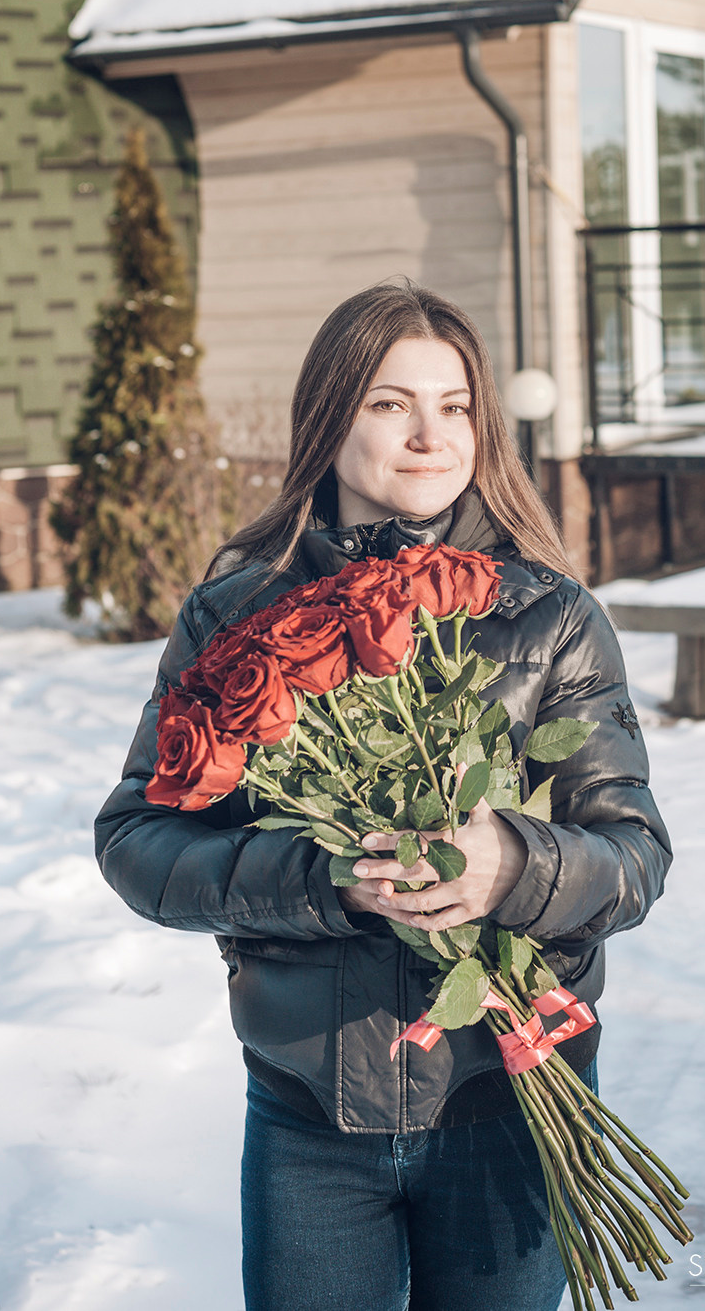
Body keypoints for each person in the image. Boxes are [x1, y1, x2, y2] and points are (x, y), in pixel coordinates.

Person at [94, 281, 673, 1311]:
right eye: (389, 404)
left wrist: (516, 868)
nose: (429, 436)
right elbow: (139, 841)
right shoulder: (234, 617)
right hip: (309, 1118)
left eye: (453, 407)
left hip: (510, 1101)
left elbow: (631, 857)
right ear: (329, 417)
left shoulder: (547, 615)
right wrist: (325, 880)